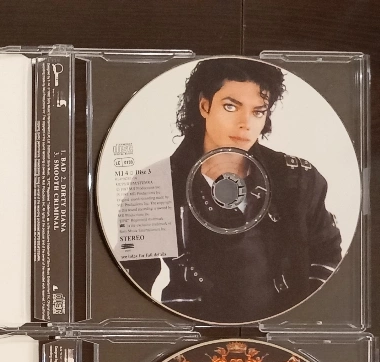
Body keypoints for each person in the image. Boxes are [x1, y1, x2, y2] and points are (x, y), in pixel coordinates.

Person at [120, 58, 344, 323]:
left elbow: (328, 257)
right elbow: (130, 280)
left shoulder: (298, 177)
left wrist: (302, 322)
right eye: (230, 106)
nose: (245, 123)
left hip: (282, 333)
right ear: (204, 105)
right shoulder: (156, 183)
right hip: (191, 333)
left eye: (258, 111)